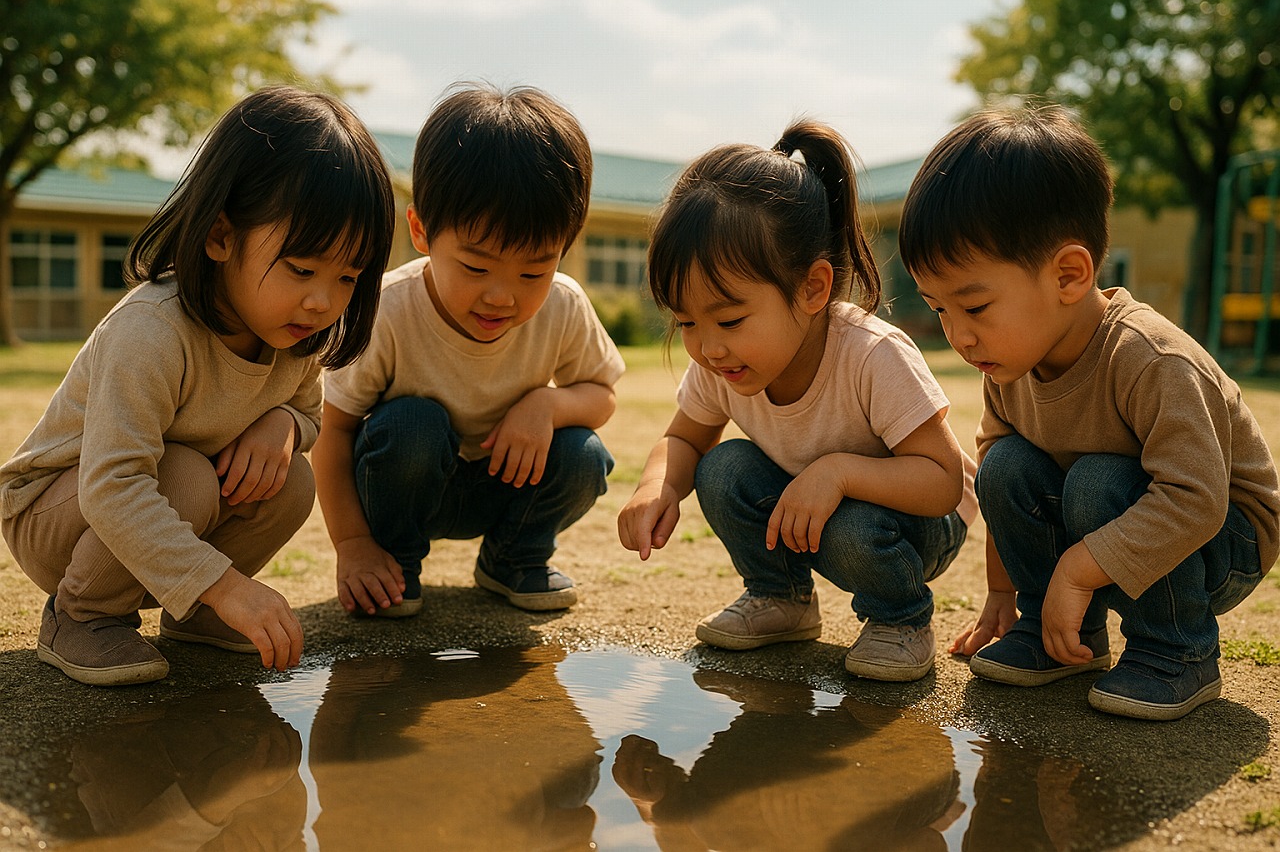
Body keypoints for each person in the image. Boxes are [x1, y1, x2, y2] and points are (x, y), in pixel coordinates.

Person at [0, 85, 396, 686]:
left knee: (290, 479)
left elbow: (309, 415)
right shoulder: (153, 331)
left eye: (347, 277)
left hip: (166, 498)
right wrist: (229, 586)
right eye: (301, 269)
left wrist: (283, 425)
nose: (323, 301)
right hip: (57, 515)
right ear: (220, 236)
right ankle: (82, 614)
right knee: (182, 475)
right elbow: (112, 486)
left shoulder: (293, 335)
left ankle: (195, 619)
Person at [899, 105, 1280, 720]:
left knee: (1100, 480)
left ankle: (1175, 650)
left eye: (975, 306)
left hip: (1221, 541)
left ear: (1069, 275)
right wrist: (1006, 591)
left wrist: (1076, 571)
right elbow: (1003, 484)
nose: (958, 336)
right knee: (1005, 468)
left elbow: (1195, 498)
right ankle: (1060, 638)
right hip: (1112, 521)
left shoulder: (1152, 360)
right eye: (939, 310)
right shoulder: (1010, 364)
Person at [616, 120, 976, 682]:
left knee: (850, 527)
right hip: (818, 508)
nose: (708, 346)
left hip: (917, 521)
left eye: (730, 318)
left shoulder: (871, 356)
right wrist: (654, 486)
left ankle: (901, 619)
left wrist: (838, 473)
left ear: (812, 288)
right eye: (686, 321)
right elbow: (684, 438)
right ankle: (781, 598)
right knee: (723, 468)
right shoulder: (722, 361)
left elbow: (942, 482)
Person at [314, 83, 624, 619]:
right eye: (476, 267)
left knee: (583, 454)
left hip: (504, 484)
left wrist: (547, 405)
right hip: (406, 484)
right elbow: (333, 432)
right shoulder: (388, 310)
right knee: (411, 424)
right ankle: (393, 563)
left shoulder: (564, 306)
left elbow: (602, 395)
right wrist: (353, 546)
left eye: (534, 270)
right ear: (421, 230)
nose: (502, 296)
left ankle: (513, 558)